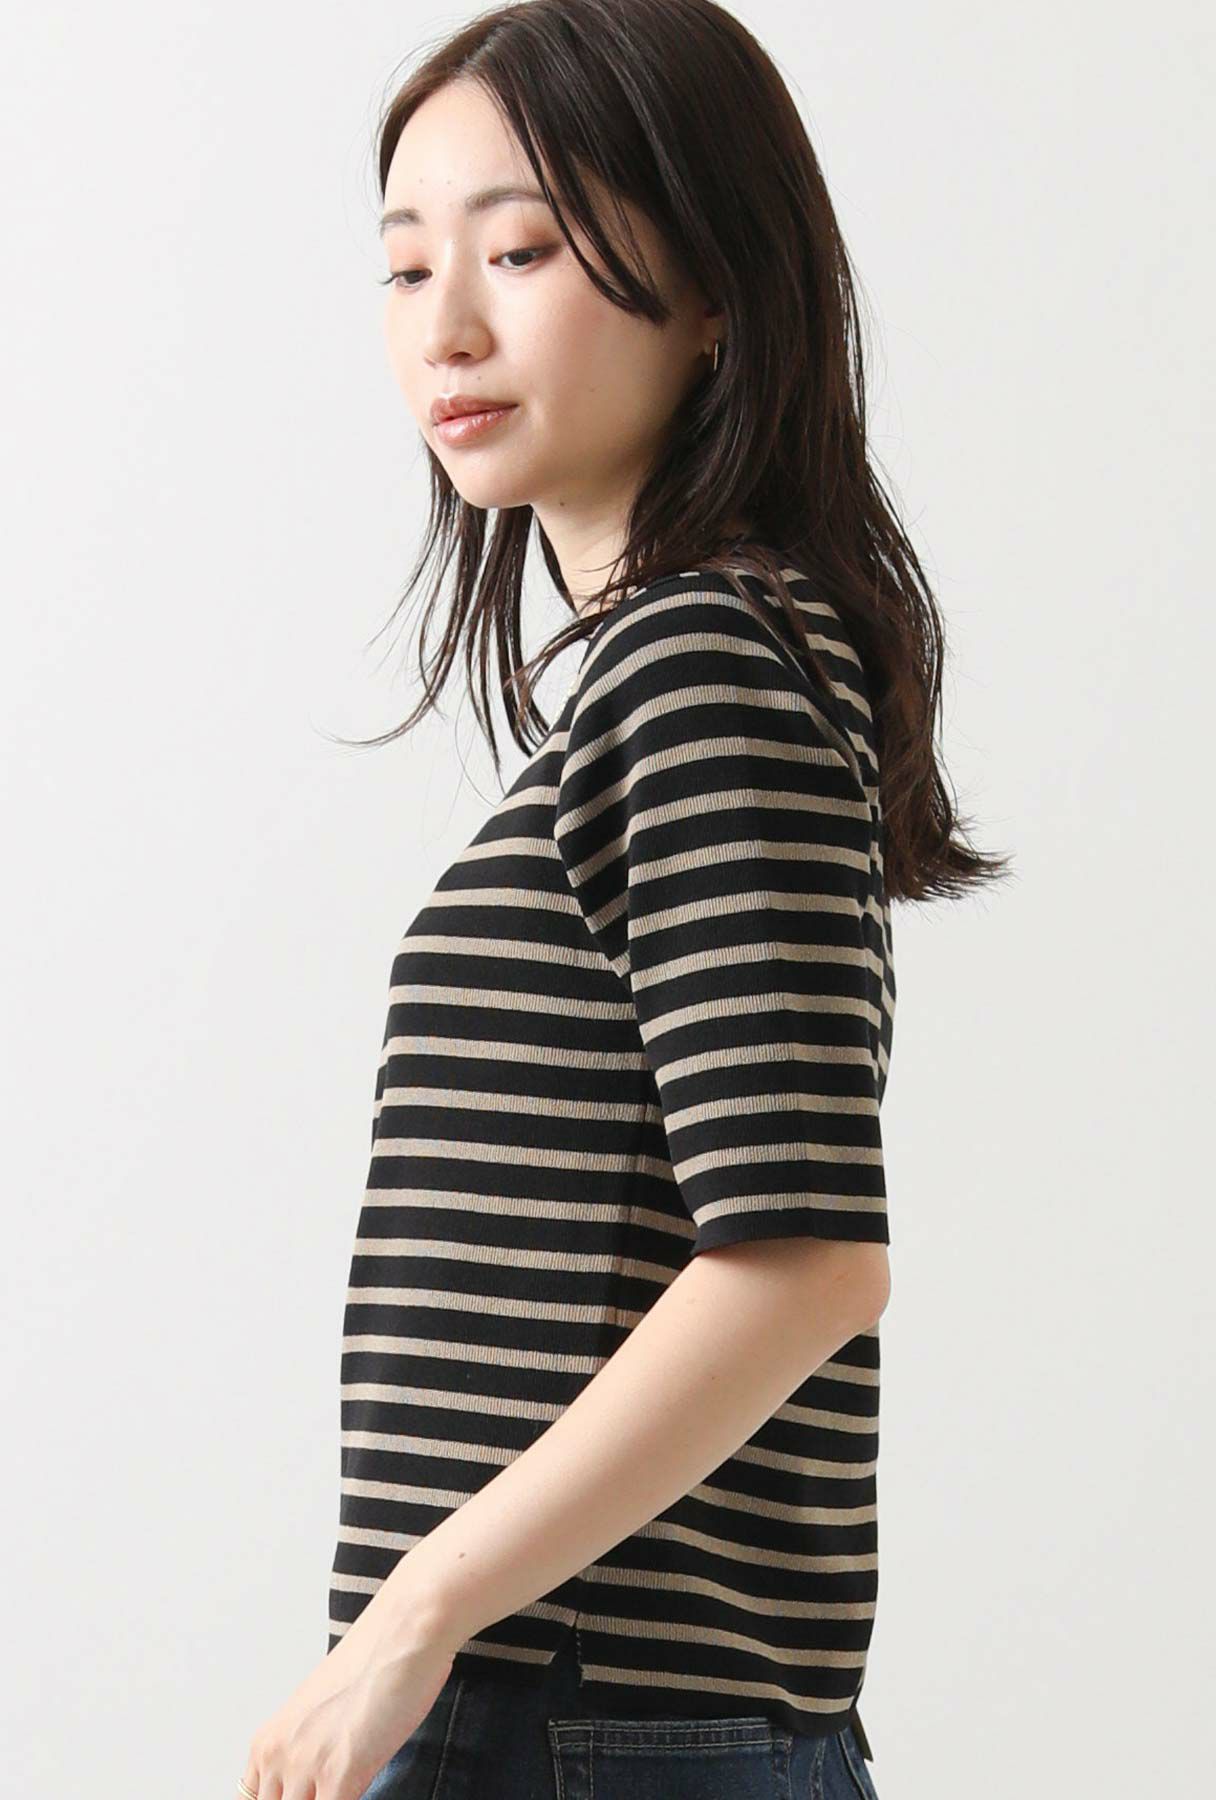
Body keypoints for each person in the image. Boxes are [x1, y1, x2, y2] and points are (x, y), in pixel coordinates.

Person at [235, 3, 1010, 1796]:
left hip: (577, 1715)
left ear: (717, 286)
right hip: (582, 1710)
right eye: (407, 265)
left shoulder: (704, 665)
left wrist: (417, 1620)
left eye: (519, 250)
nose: (446, 325)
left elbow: (803, 1261)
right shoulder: (688, 672)